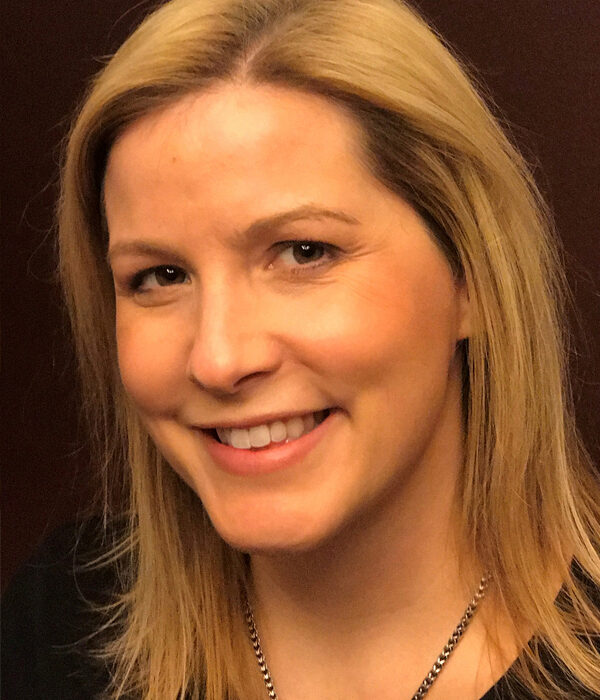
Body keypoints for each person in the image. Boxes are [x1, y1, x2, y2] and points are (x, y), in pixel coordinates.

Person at [3, 0, 600, 698]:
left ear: (473, 277)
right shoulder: (55, 631)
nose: (219, 358)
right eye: (160, 276)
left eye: (303, 252)